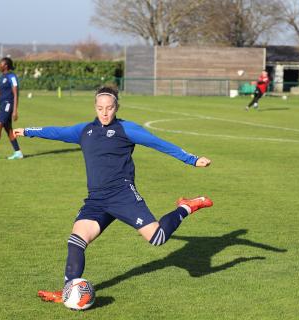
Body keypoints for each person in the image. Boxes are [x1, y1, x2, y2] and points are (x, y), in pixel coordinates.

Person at [13, 86, 213, 302]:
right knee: (76, 241)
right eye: (100, 108)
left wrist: (192, 159)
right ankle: (68, 291)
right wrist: (27, 131)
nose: (105, 113)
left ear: (116, 107)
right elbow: (58, 132)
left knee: (157, 238)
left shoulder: (127, 129)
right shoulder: (85, 130)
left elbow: (159, 144)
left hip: (122, 196)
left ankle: (186, 206)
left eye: (109, 108)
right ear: (95, 108)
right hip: (96, 200)